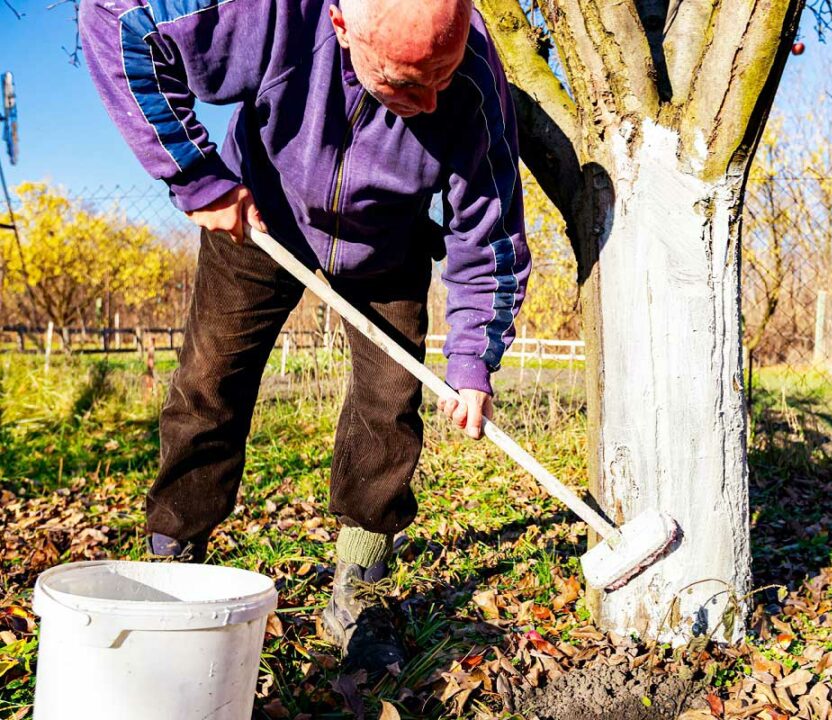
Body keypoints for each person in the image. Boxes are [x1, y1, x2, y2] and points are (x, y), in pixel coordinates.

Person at [79, 0, 530, 675]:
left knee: (389, 409)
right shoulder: (273, 12)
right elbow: (120, 18)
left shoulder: (473, 82)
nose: (432, 98)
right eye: (407, 82)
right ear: (342, 25)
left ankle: (359, 589)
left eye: (443, 70)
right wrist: (196, 176)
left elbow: (488, 233)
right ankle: (173, 559)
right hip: (258, 218)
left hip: (388, 244)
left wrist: (472, 360)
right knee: (209, 386)